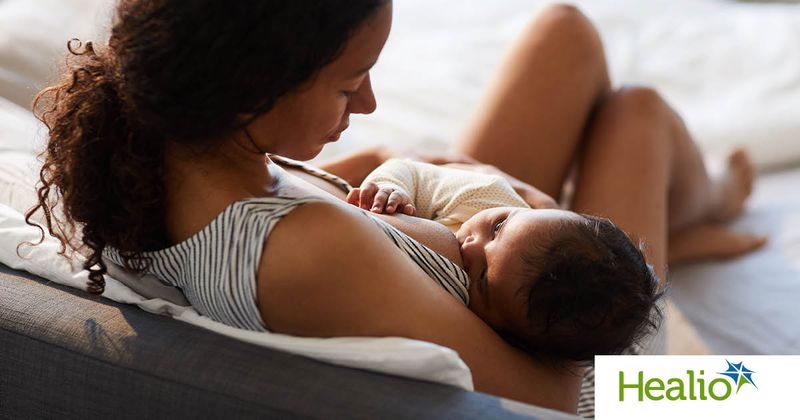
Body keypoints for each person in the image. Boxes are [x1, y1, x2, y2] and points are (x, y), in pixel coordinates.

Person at [23, 0, 766, 414]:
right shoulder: (309, 253)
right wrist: (559, 222)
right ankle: (703, 209)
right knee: (635, 115)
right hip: (593, 331)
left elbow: (363, 177)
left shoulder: (170, 154)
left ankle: (685, 220)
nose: (370, 102)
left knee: (563, 32)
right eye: (350, 87)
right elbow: (561, 398)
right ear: (251, 87)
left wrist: (419, 179)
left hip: (477, 236)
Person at [346, 158, 663, 363]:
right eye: (497, 227)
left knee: (637, 103)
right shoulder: (488, 196)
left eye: (482, 277)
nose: (470, 246)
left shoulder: (503, 336)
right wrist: (393, 187)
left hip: (618, 374)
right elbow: (411, 170)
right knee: (637, 103)